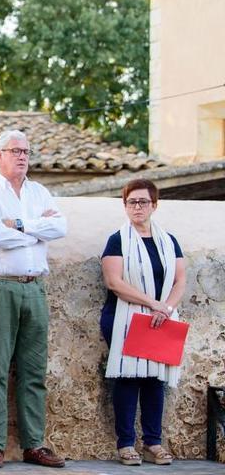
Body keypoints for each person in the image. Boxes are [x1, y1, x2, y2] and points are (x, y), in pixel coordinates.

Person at [0, 130, 68, 469]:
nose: (22, 156)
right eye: (15, 151)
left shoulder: (39, 192)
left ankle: (34, 444)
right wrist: (36, 231)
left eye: (26, 150)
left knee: (34, 369)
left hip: (34, 287)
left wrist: (22, 225)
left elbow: (61, 228)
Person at [100, 179, 185, 466]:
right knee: (128, 379)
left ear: (154, 205)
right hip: (125, 317)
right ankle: (125, 444)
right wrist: (153, 304)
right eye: (131, 202)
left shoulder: (168, 241)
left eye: (143, 202)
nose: (137, 207)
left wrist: (167, 308)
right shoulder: (117, 240)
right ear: (124, 206)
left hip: (161, 319)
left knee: (153, 380)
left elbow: (180, 279)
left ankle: (153, 442)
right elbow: (114, 281)